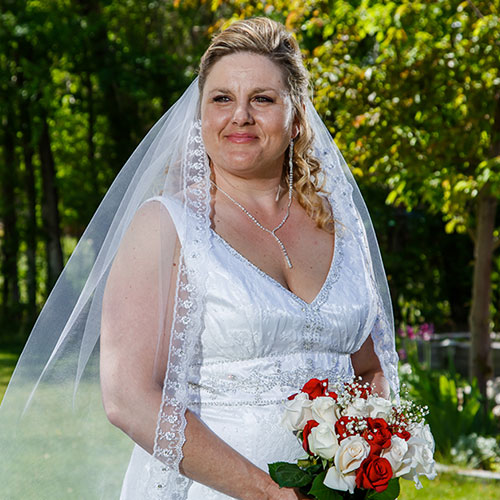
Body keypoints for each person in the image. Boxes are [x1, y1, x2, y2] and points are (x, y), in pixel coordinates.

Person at [0, 17, 399, 500]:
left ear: (297, 119)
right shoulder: (166, 227)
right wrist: (267, 493)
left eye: (263, 99)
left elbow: (370, 365)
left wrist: (366, 458)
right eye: (222, 98)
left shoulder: (342, 225)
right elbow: (127, 398)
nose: (241, 117)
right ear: (201, 115)